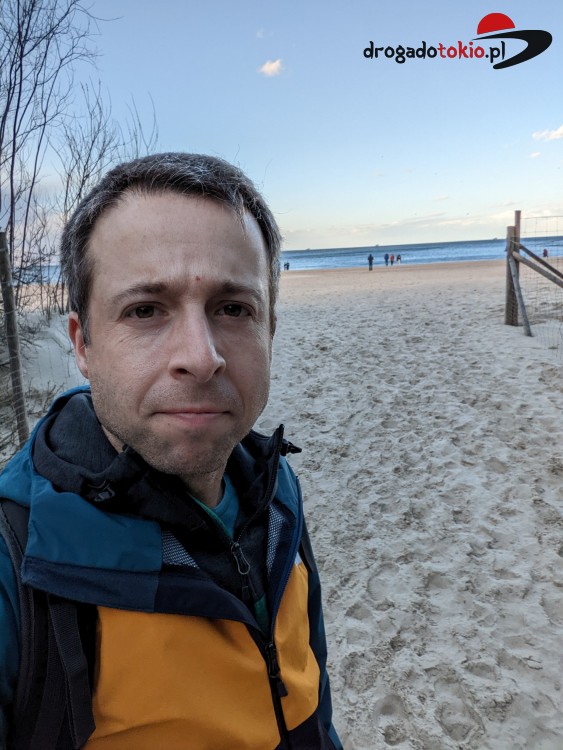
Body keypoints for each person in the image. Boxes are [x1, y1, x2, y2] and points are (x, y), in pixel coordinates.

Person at [0, 153, 342, 750]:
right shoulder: (18, 559)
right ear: (83, 345)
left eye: (233, 309)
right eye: (145, 310)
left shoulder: (275, 489)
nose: (201, 356)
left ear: (269, 331)